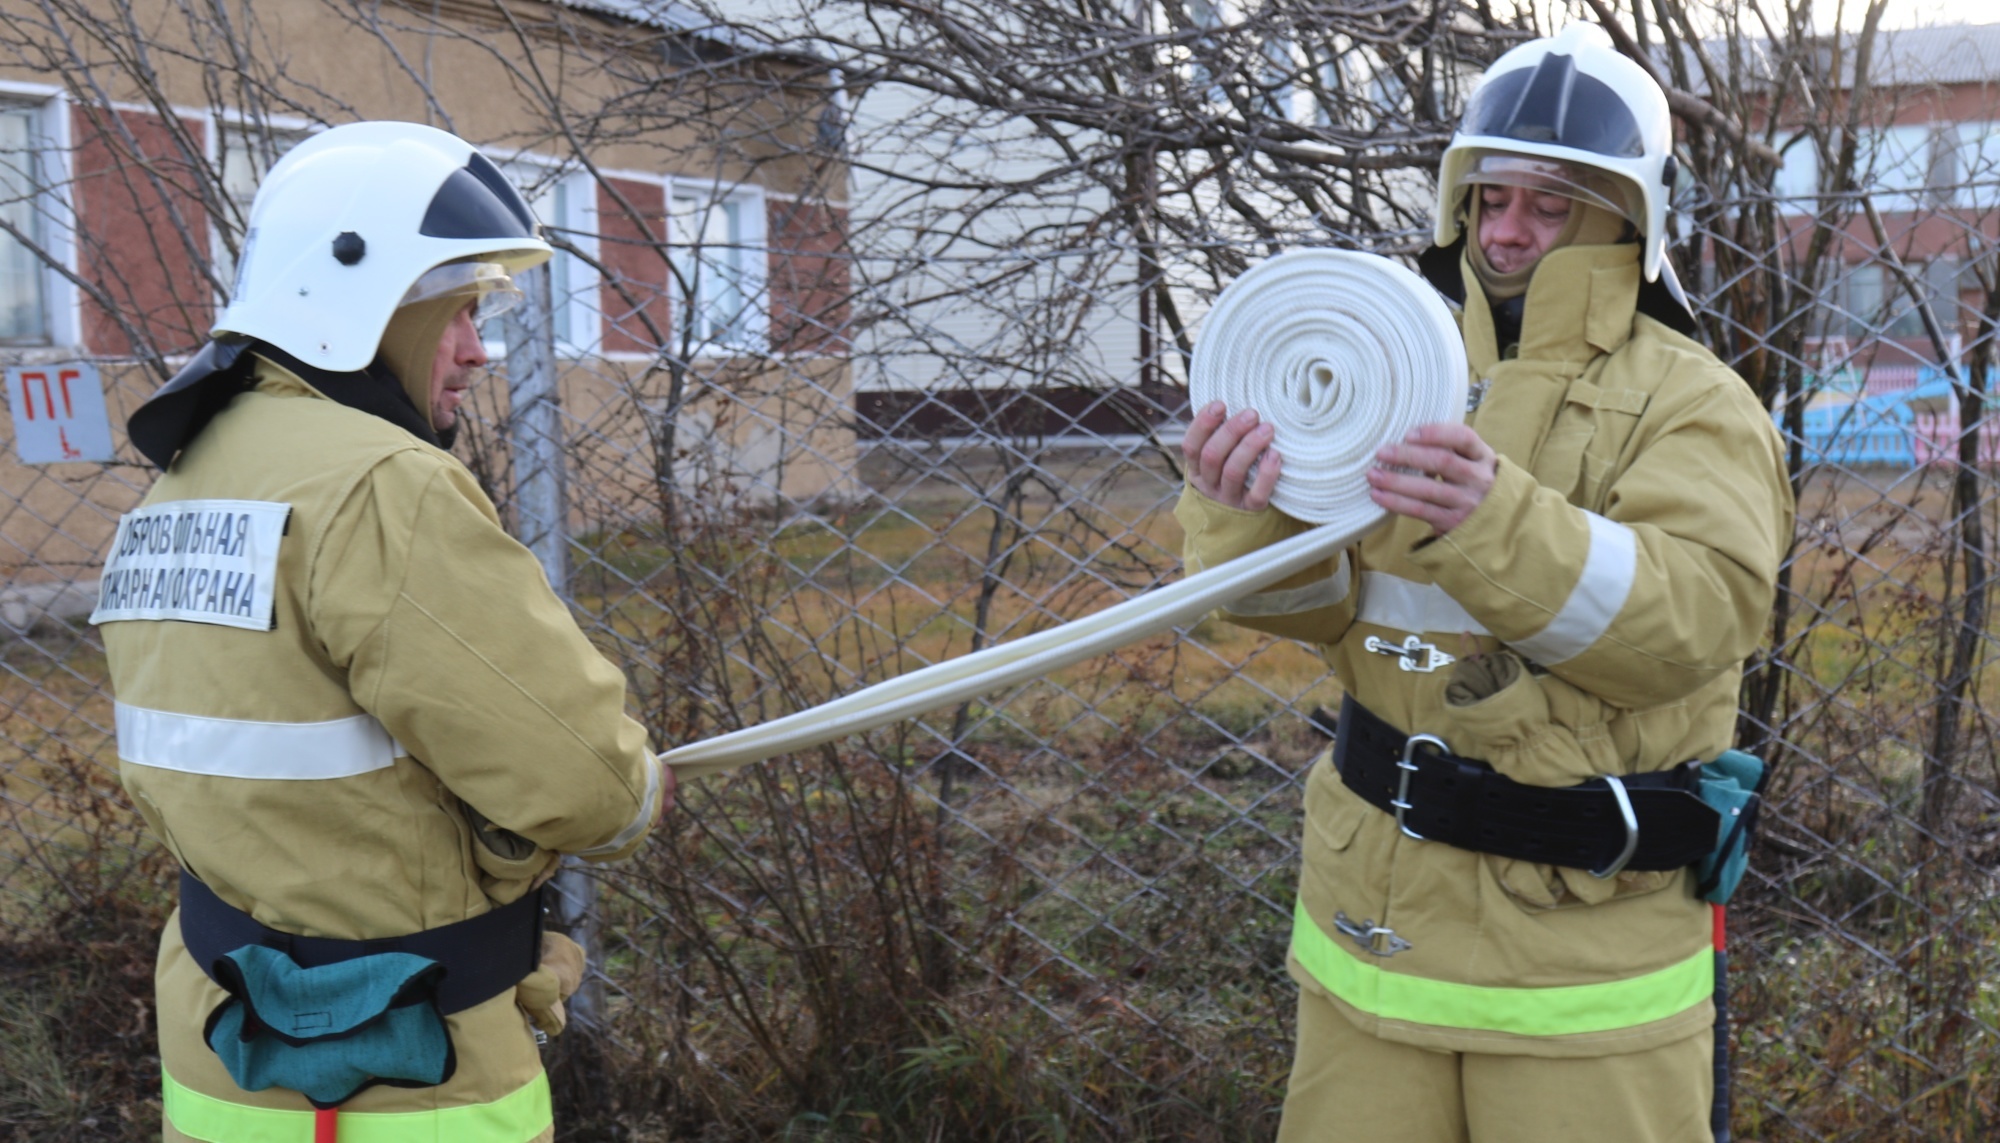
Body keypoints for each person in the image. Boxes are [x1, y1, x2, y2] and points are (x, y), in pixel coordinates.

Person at [1176, 24, 1792, 1143]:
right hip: (1367, 937)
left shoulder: (1692, 403)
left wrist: (1495, 520)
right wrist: (1243, 506)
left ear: (1626, 218)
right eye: (1490, 198)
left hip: (1579, 972)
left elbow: (1692, 625)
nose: (1508, 233)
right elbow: (1309, 615)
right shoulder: (1391, 367)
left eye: (1550, 207)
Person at [93, 122, 669, 1143]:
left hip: (220, 1056)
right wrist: (636, 787)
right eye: (454, 311)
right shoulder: (379, 485)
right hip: (396, 1080)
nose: (475, 351)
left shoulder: (187, 478)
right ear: (359, 302)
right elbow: (586, 787)